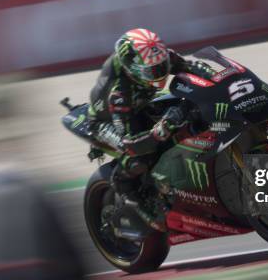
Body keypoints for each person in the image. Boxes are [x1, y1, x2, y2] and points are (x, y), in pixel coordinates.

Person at [87, 28, 213, 230]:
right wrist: (162, 128)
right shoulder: (119, 91)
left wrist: (217, 77)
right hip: (108, 119)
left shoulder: (157, 57)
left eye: (162, 66)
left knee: (190, 111)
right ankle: (131, 195)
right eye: (153, 71)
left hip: (141, 103)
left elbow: (190, 66)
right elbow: (131, 143)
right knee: (139, 157)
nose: (161, 73)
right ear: (132, 69)